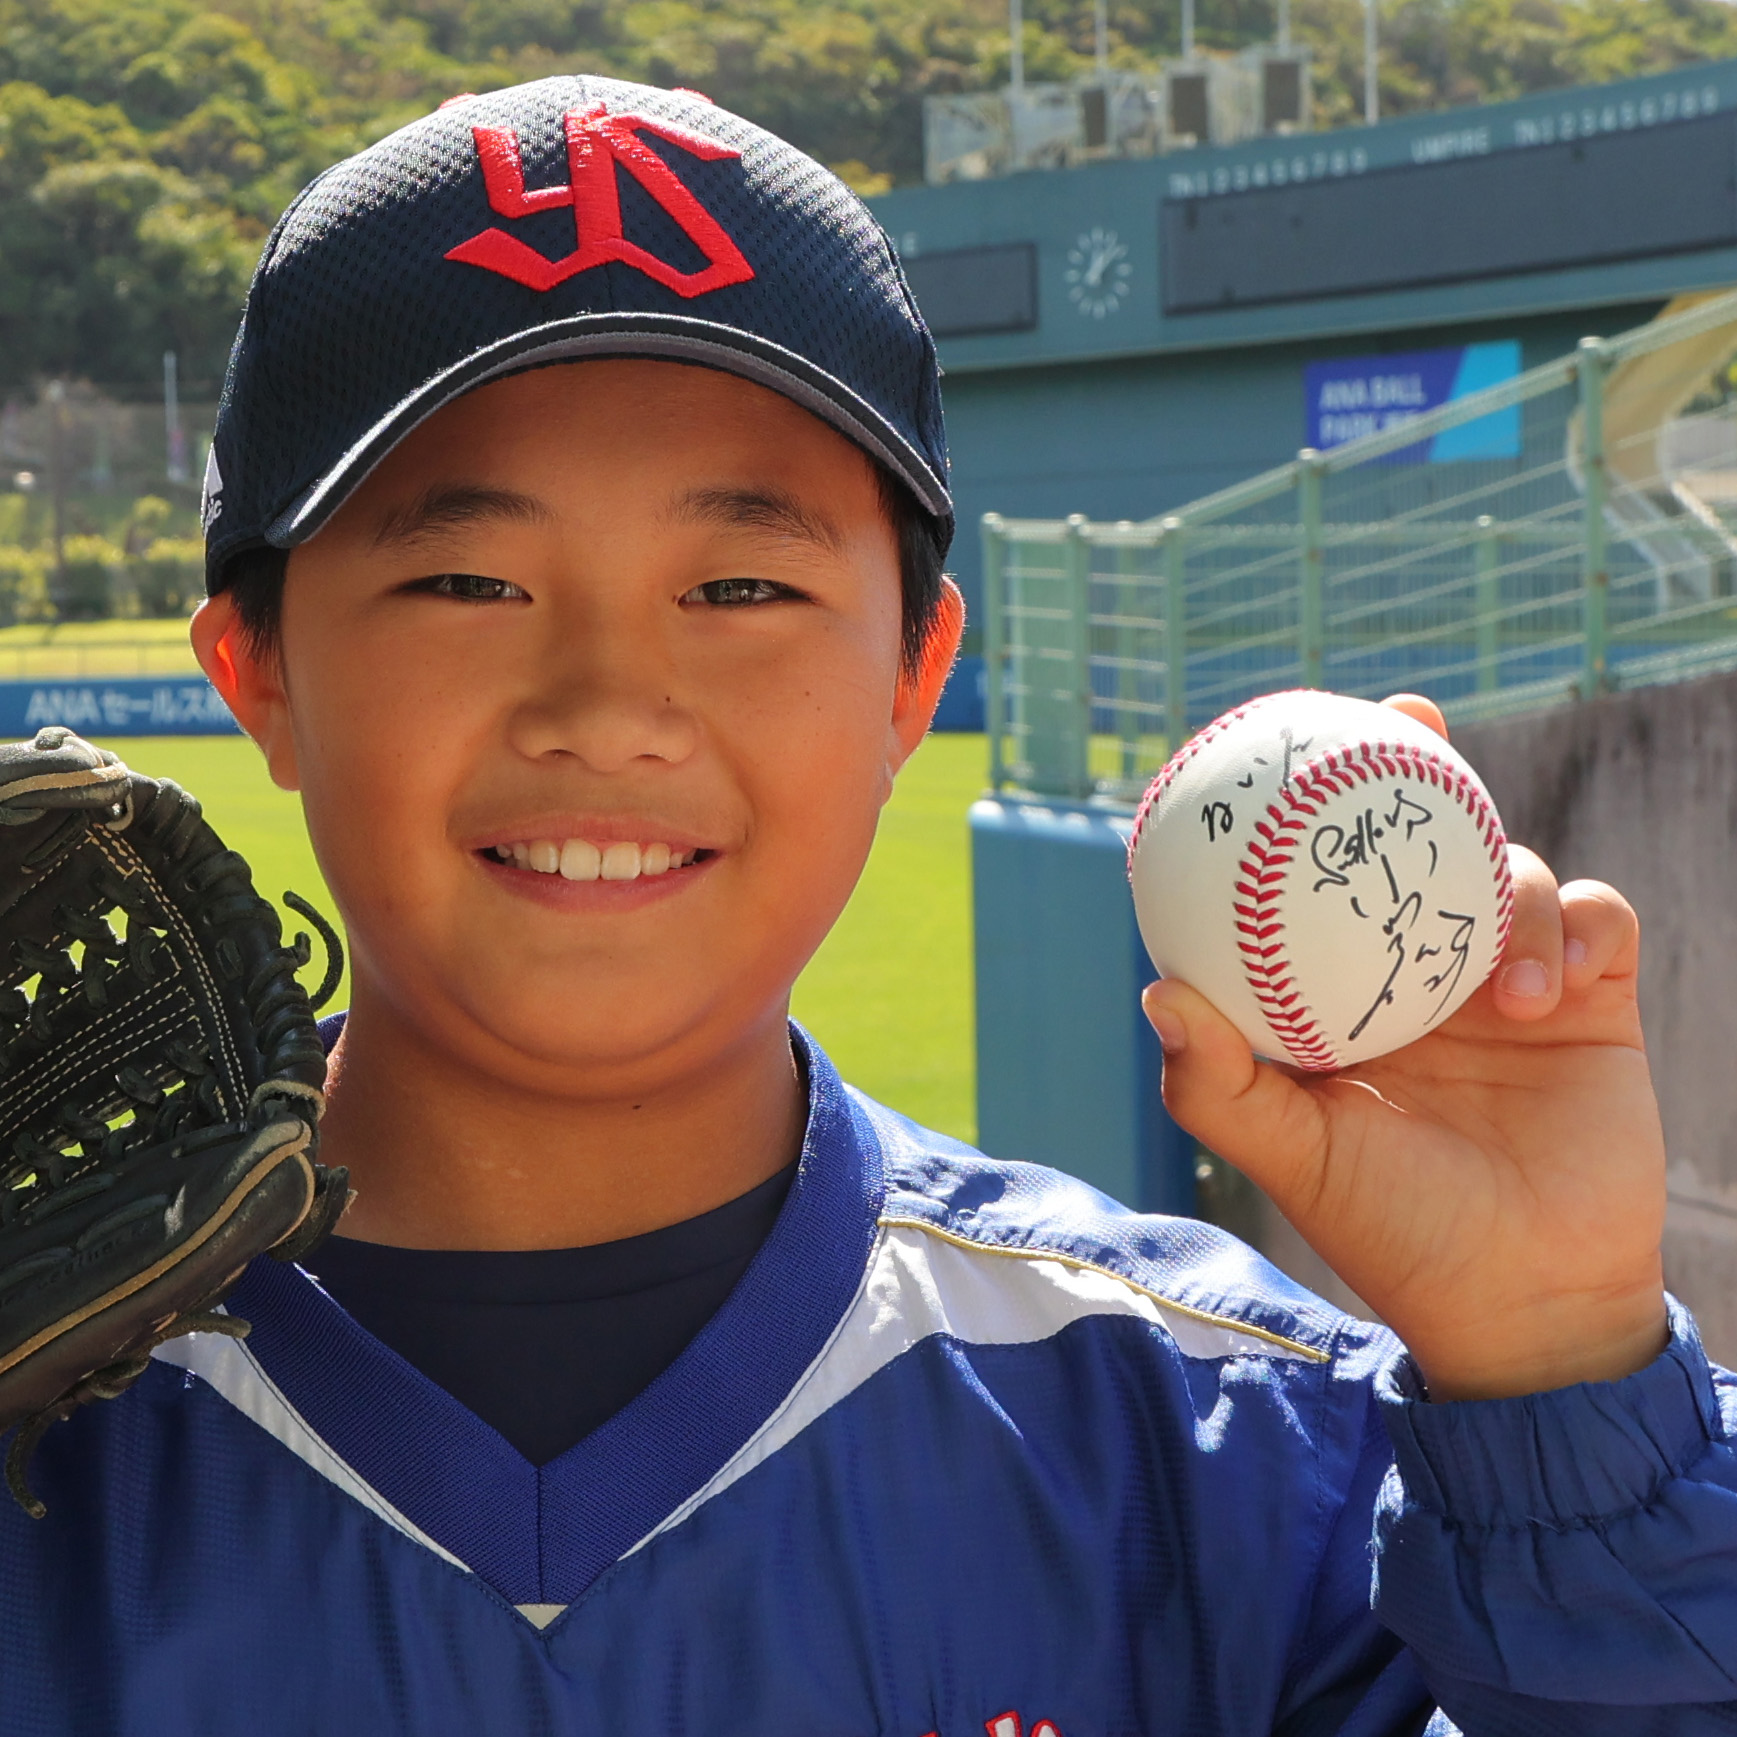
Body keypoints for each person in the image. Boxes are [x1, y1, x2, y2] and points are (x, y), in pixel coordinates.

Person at [1, 74, 1732, 1735]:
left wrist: (1560, 1379)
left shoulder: (1233, 1461)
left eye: (739, 582)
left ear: (914, 678)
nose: (608, 699)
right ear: (259, 670)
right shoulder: (44, 1422)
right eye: (470, 576)